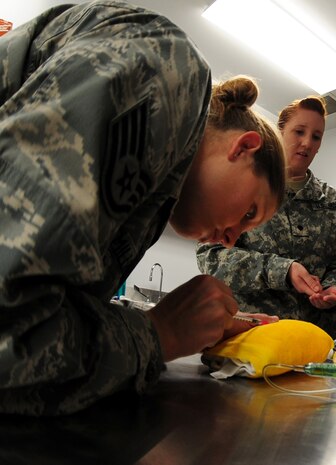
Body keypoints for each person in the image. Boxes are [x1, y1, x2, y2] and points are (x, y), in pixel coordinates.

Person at [0, 1, 286, 415]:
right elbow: (12, 329)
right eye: (247, 214)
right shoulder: (170, 74)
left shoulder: (156, 197)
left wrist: (169, 329)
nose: (231, 239)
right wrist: (159, 334)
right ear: (243, 148)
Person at [197, 96, 336, 341]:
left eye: (316, 137)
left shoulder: (330, 200)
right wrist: (281, 270)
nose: (306, 143)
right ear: (280, 131)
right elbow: (210, 256)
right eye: (299, 132)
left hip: (316, 340)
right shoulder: (248, 184)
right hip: (253, 334)